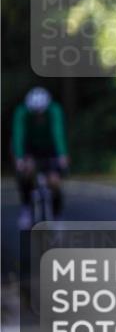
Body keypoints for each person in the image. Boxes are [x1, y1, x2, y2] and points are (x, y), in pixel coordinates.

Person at [11, 86, 69, 229]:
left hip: (50, 148)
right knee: (26, 172)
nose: (38, 116)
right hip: (30, 148)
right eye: (35, 113)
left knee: (54, 181)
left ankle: (57, 215)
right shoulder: (22, 112)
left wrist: (62, 154)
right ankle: (26, 208)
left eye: (41, 113)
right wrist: (19, 157)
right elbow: (18, 134)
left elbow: (58, 132)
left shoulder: (54, 110)